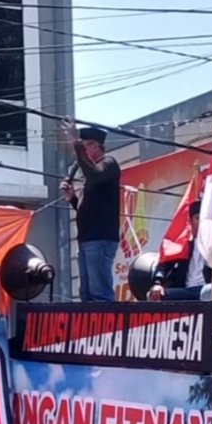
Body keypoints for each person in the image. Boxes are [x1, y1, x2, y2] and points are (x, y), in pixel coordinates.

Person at [58, 120, 121, 302]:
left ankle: (107, 320)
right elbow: (88, 210)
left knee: (99, 292)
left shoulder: (109, 164)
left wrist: (75, 142)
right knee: (86, 293)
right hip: (87, 239)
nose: (81, 152)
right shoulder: (91, 176)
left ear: (95, 146)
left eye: (85, 146)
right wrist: (72, 198)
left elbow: (95, 174)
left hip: (100, 238)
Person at [155, 201, 212, 301]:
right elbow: (164, 264)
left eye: (204, 219)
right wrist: (157, 283)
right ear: (190, 221)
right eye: (197, 218)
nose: (201, 223)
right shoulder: (183, 245)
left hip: (206, 289)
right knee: (154, 295)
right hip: (186, 290)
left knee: (208, 292)